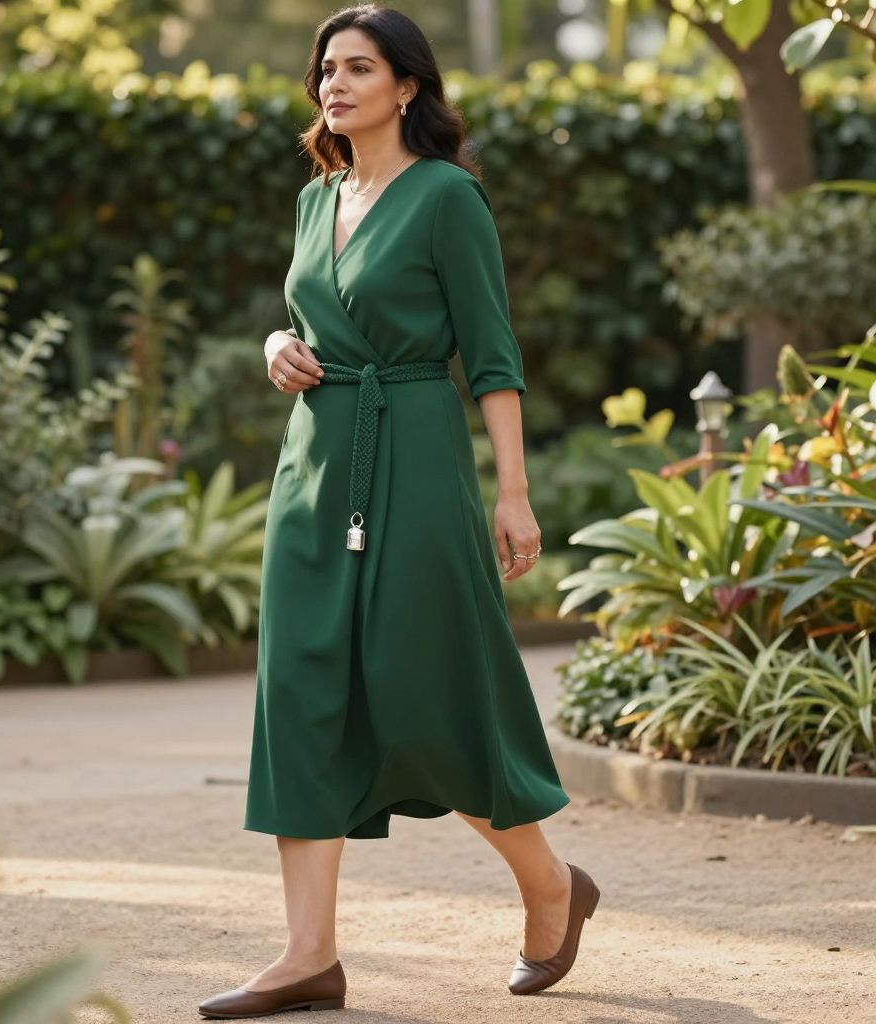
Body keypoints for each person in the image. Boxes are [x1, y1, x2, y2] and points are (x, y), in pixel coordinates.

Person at [198, 4, 599, 1019]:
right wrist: (276, 347)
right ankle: (307, 955)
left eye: (358, 68)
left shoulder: (448, 198)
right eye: (325, 69)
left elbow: (493, 357)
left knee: (428, 691)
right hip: (313, 469)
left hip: (416, 460)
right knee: (300, 695)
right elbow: (310, 313)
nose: (333, 84)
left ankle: (551, 883)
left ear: (406, 86)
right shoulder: (315, 198)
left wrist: (513, 495)